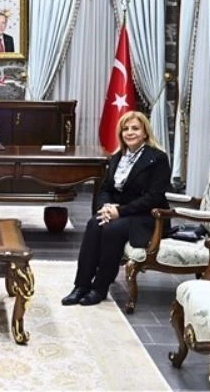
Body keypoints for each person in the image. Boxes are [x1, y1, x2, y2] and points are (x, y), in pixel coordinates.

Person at [61, 111, 170, 307]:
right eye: (125, 129)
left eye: (135, 128)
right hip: (120, 213)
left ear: (145, 133)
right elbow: (105, 189)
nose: (130, 132)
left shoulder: (158, 158)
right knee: (94, 224)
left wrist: (120, 211)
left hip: (149, 217)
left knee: (112, 229)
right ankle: (81, 286)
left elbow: (153, 198)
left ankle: (100, 288)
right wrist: (105, 207)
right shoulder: (117, 157)